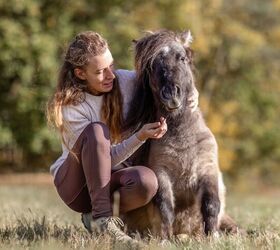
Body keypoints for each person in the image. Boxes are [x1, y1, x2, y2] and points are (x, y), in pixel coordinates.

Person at [47, 31, 198, 243]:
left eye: (111, 65)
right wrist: (140, 137)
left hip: (110, 181)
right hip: (77, 187)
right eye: (100, 71)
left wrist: (191, 92)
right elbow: (102, 159)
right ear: (81, 74)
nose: (110, 75)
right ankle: (102, 222)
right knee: (97, 132)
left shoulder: (125, 81)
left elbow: (164, 76)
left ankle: (98, 219)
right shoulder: (72, 106)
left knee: (147, 182)